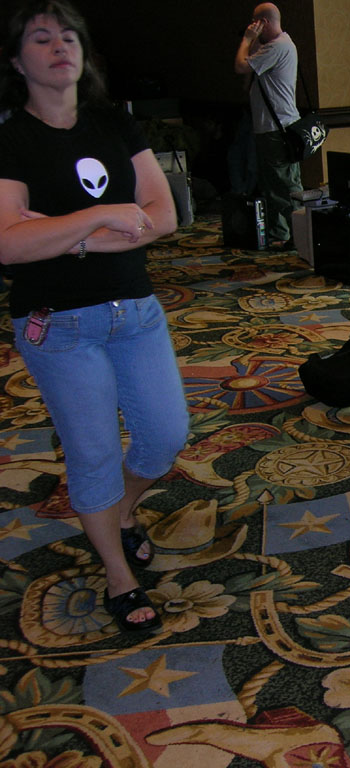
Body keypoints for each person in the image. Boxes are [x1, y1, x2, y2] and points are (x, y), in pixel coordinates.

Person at [0, 0, 189, 632]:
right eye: (41, 38)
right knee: (94, 454)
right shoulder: (11, 140)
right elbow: (8, 245)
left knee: (164, 437)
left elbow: (162, 216)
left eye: (69, 36)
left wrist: (63, 235)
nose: (60, 46)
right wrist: (103, 216)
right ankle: (117, 572)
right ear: (16, 60)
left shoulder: (114, 123)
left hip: (135, 311)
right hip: (58, 325)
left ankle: (122, 512)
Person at [233, 2, 301, 251]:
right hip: (270, 127)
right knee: (272, 185)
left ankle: (299, 235)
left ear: (265, 22)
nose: (252, 26)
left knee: (285, 186)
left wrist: (246, 38)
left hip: (277, 128)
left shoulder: (278, 46)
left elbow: (241, 66)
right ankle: (279, 233)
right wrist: (253, 39)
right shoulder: (272, 45)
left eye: (255, 21)